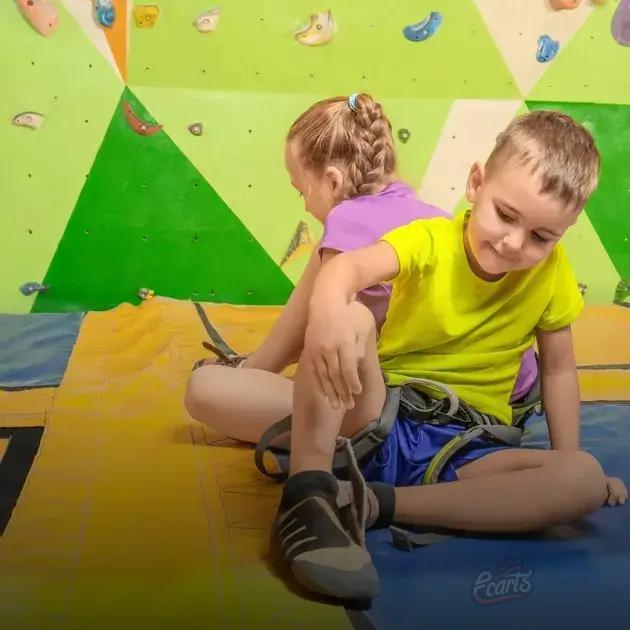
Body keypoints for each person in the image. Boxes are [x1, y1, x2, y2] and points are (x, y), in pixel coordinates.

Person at [271, 110, 628, 604]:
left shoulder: (552, 275)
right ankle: (307, 491)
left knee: (583, 477)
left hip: (468, 445)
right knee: (347, 317)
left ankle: (374, 503)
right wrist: (331, 308)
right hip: (382, 416)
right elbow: (346, 270)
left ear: (562, 233)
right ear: (477, 182)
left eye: (542, 237)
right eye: (506, 215)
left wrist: (565, 457)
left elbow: (560, 368)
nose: (513, 243)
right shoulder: (429, 240)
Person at [185, 93, 537, 445]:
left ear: (334, 182)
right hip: (514, 399)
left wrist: (257, 373)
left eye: (301, 192)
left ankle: (253, 372)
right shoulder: (436, 220)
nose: (306, 206)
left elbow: (308, 338)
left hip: (430, 409)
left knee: (204, 389)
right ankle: (254, 371)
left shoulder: (348, 220)